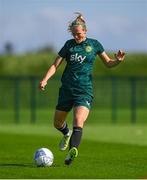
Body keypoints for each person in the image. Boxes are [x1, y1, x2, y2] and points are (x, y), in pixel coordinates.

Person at [39, 12, 125, 165]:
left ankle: (71, 153)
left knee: (78, 121)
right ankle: (66, 133)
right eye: (74, 34)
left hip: (84, 90)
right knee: (57, 123)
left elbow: (108, 63)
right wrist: (45, 79)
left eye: (78, 34)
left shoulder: (94, 45)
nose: (76, 37)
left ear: (85, 31)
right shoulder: (68, 45)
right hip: (66, 90)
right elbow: (55, 65)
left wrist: (117, 60)